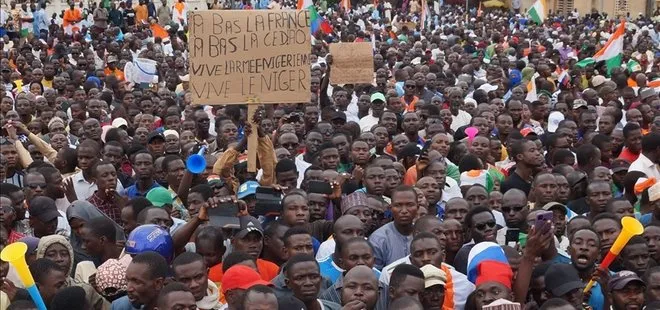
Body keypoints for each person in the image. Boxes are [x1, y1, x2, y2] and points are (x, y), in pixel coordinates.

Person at [369, 185, 419, 269]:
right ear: (391, 208)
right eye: (398, 205)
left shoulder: (423, 235)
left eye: (409, 205)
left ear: (417, 207)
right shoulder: (378, 239)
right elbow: (375, 274)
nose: (404, 211)